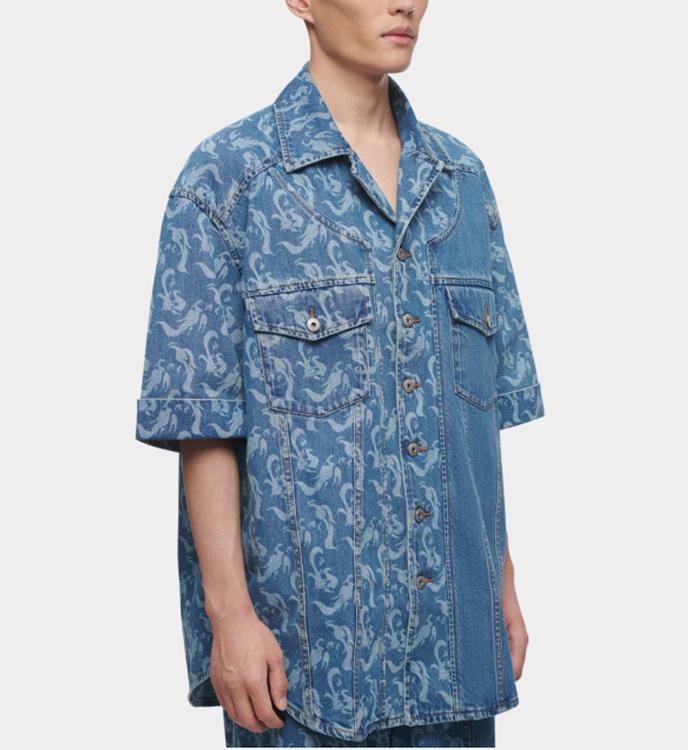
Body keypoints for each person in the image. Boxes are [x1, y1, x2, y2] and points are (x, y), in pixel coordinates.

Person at [135, 0, 545, 746]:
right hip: (306, 673)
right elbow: (202, 425)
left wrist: (503, 585)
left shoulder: (463, 183)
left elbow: (476, 423)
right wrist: (229, 617)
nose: (406, 3)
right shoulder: (228, 181)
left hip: (457, 658)